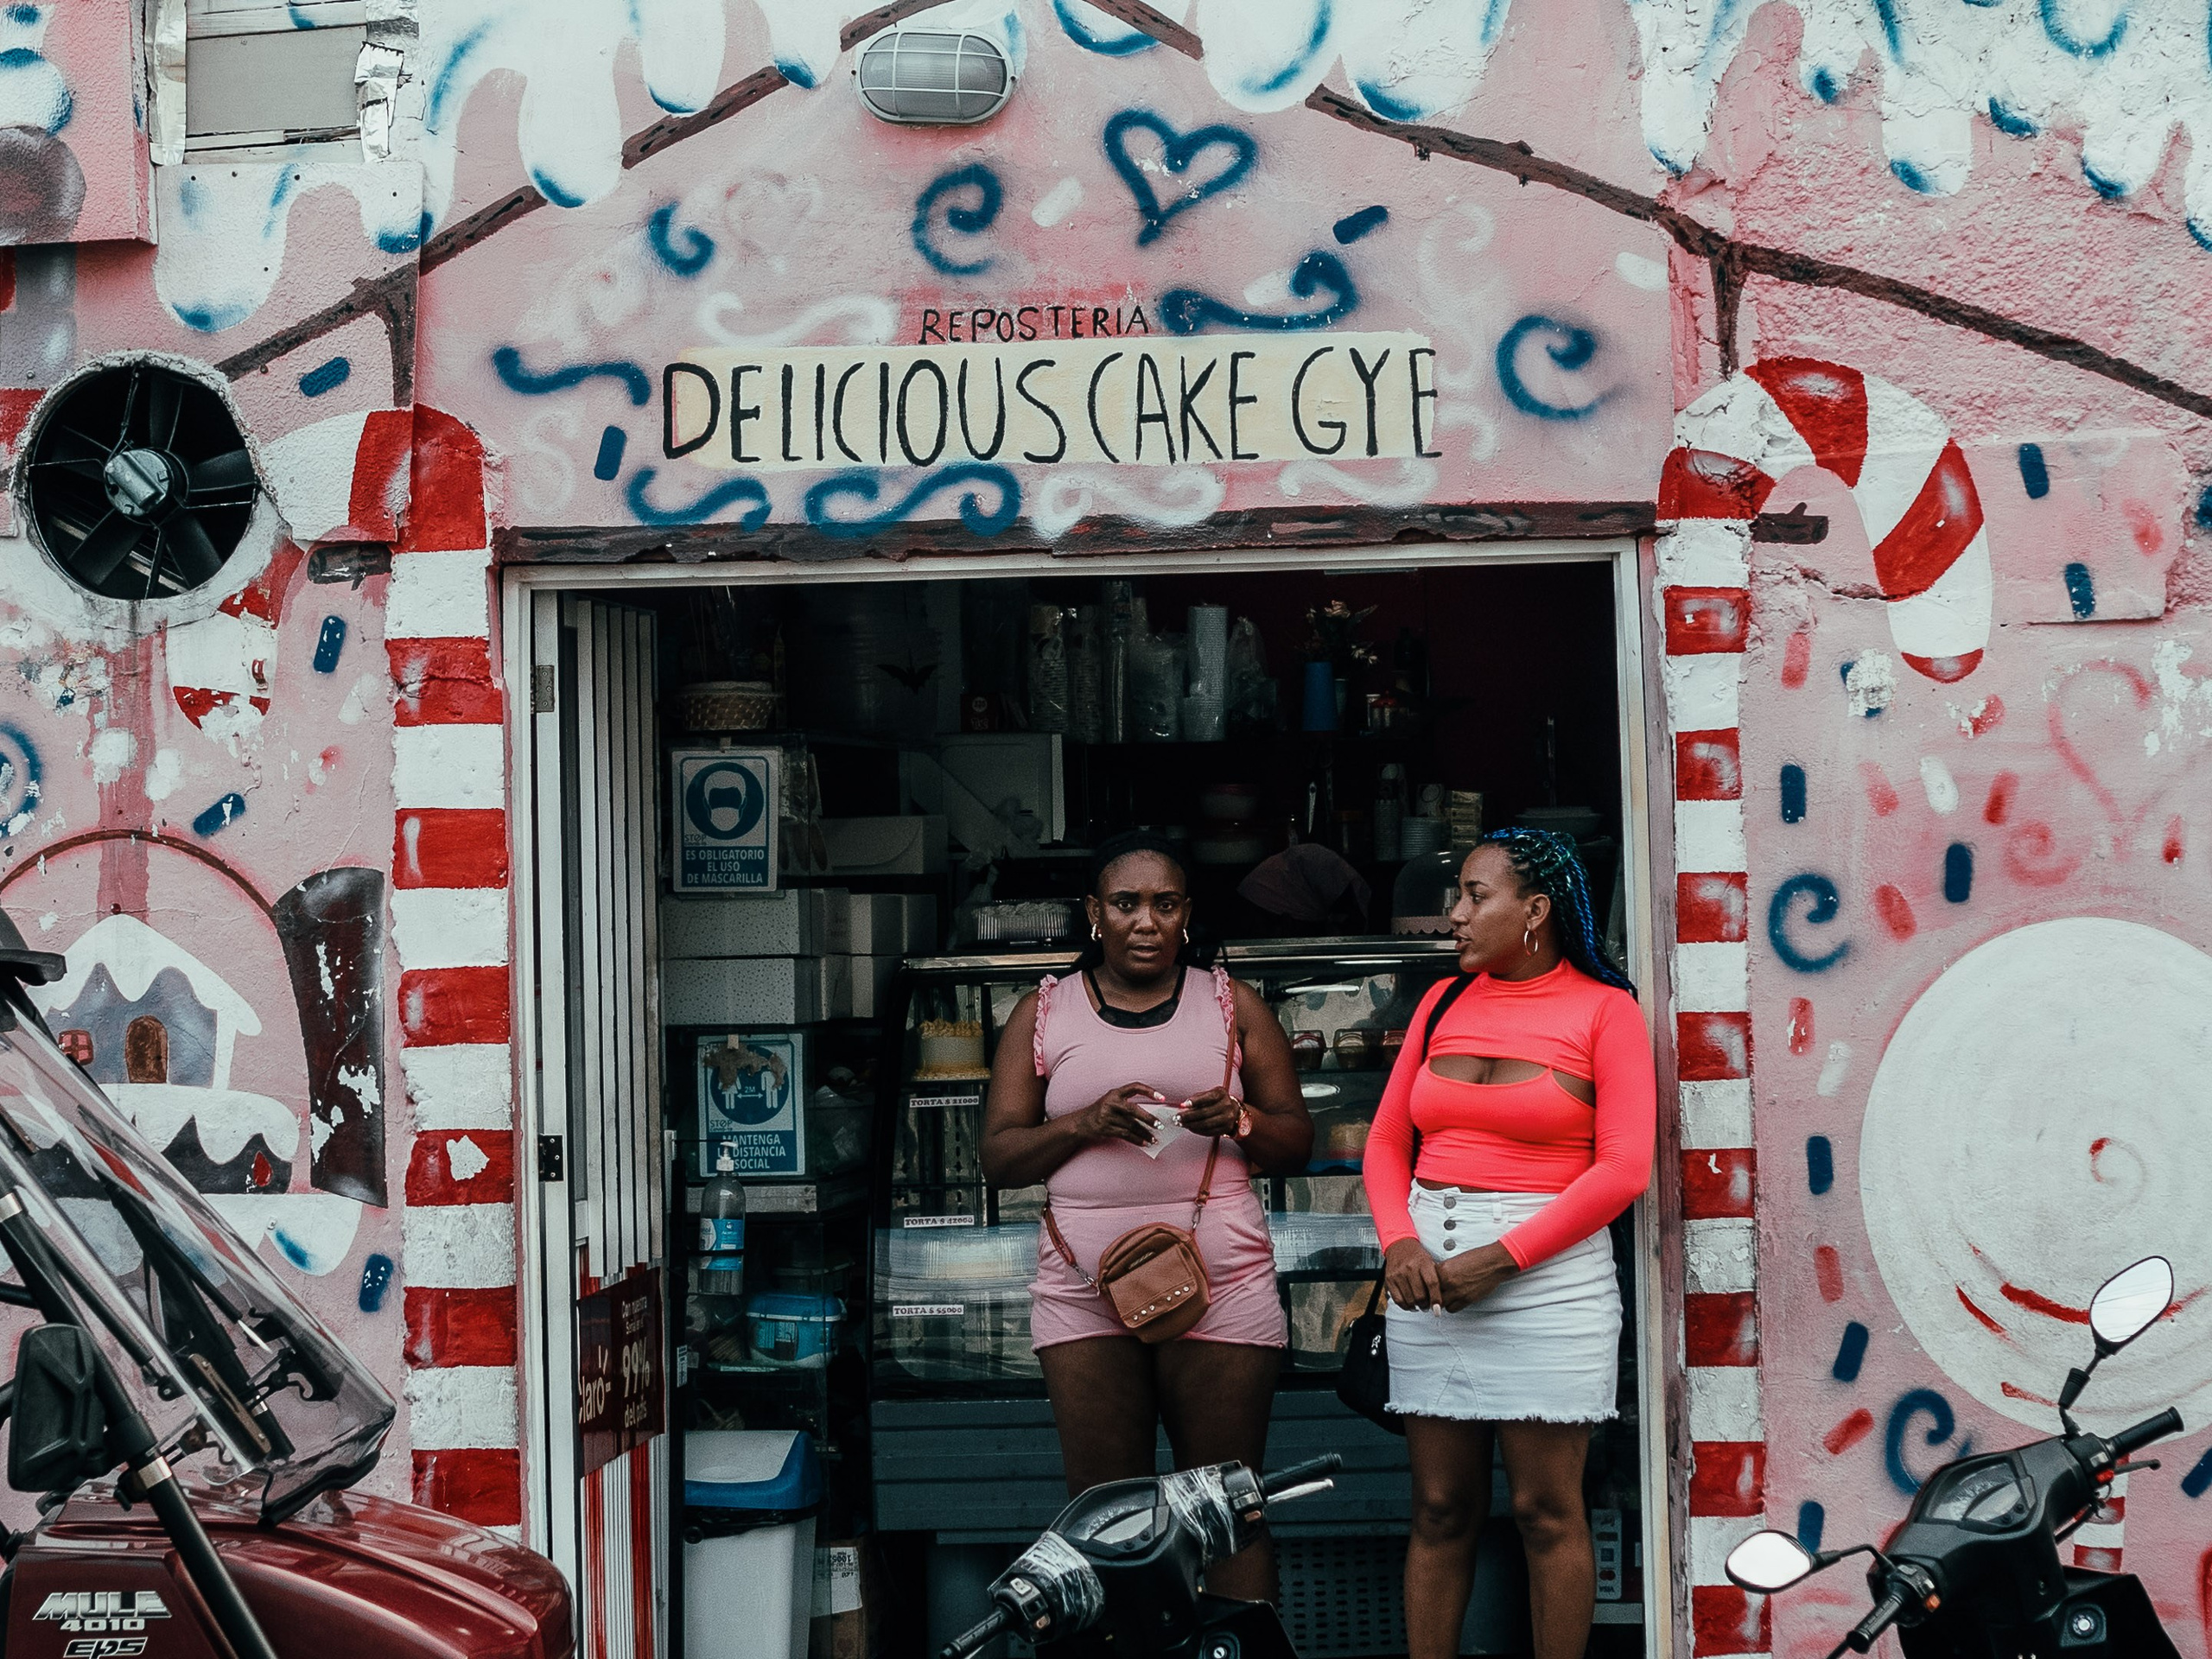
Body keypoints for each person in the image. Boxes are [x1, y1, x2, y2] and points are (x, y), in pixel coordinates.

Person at [982, 830, 1312, 1601]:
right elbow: (997, 1158)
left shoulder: (1232, 1004)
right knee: (1106, 1516)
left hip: (1224, 1283)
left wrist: (1240, 1120)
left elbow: (1297, 1142)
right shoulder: (1044, 1011)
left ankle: (1233, 1651)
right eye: (1126, 903)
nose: (1145, 921)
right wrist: (1084, 1123)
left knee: (1226, 1507)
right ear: (1094, 912)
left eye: (1165, 904)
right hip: (1082, 1288)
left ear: (1186, 914)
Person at [1361, 828, 1656, 1659]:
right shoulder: (1441, 1003)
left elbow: (1624, 1169)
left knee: (1545, 1511)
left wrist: (1501, 1260)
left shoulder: (1606, 1010)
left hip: (1549, 1288)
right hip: (1428, 1283)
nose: (1454, 915)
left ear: (1535, 910)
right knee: (1440, 1509)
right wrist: (1399, 1244)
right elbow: (1385, 1142)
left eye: (1474, 895)